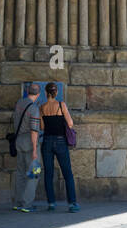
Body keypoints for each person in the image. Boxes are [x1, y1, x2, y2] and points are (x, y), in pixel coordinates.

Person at [40, 82, 79, 212]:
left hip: (47, 141)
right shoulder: (61, 105)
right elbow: (70, 123)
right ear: (56, 92)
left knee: (48, 174)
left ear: (46, 93)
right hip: (61, 141)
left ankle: (51, 203)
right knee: (67, 173)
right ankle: (72, 204)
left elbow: (42, 127)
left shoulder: (42, 107)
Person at [10, 82, 42, 212]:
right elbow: (34, 131)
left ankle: (17, 202)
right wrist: (35, 150)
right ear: (38, 94)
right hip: (29, 143)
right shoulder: (34, 108)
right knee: (34, 173)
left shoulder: (19, 103)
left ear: (28, 91)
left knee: (20, 173)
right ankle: (27, 204)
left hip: (18, 142)